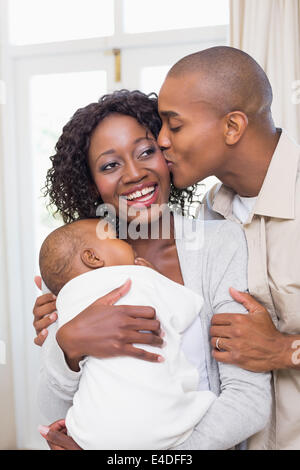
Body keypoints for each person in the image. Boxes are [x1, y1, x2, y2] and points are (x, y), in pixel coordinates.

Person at [33, 90, 271, 450]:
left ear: (167, 155)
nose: (134, 173)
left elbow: (248, 401)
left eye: (146, 152)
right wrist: (66, 345)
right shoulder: (79, 270)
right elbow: (53, 416)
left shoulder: (219, 243)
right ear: (91, 182)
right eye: (110, 165)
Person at [157, 46, 300, 450]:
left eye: (175, 125)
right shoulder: (207, 217)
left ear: (232, 126)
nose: (161, 140)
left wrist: (285, 349)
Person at [38, 218, 216, 450]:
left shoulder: (63, 298)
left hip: (92, 433)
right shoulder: (138, 278)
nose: (125, 242)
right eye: (115, 237)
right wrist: (157, 279)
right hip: (167, 425)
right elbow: (188, 309)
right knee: (205, 404)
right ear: (92, 257)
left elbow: (54, 404)